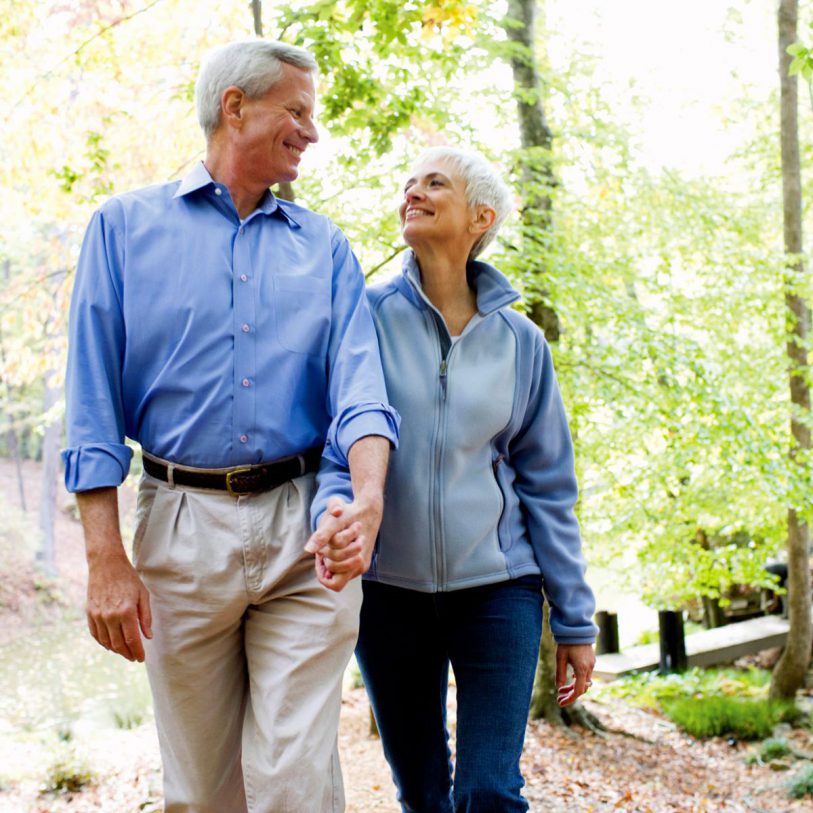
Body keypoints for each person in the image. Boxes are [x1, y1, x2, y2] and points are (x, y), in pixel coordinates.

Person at [62, 40, 399, 813]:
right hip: (178, 527)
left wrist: (369, 500)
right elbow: (90, 404)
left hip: (305, 524)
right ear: (234, 107)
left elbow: (362, 395)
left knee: (291, 781)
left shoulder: (325, 247)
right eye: (298, 111)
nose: (311, 131)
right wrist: (105, 557)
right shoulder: (121, 227)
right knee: (203, 789)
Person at [350, 147, 596, 812]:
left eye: (434, 184)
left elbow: (548, 486)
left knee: (489, 789)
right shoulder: (363, 319)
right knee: (422, 791)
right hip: (386, 593)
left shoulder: (520, 343)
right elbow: (334, 443)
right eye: (407, 184)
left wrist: (575, 619)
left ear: (480, 216)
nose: (413, 193)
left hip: (499, 591)